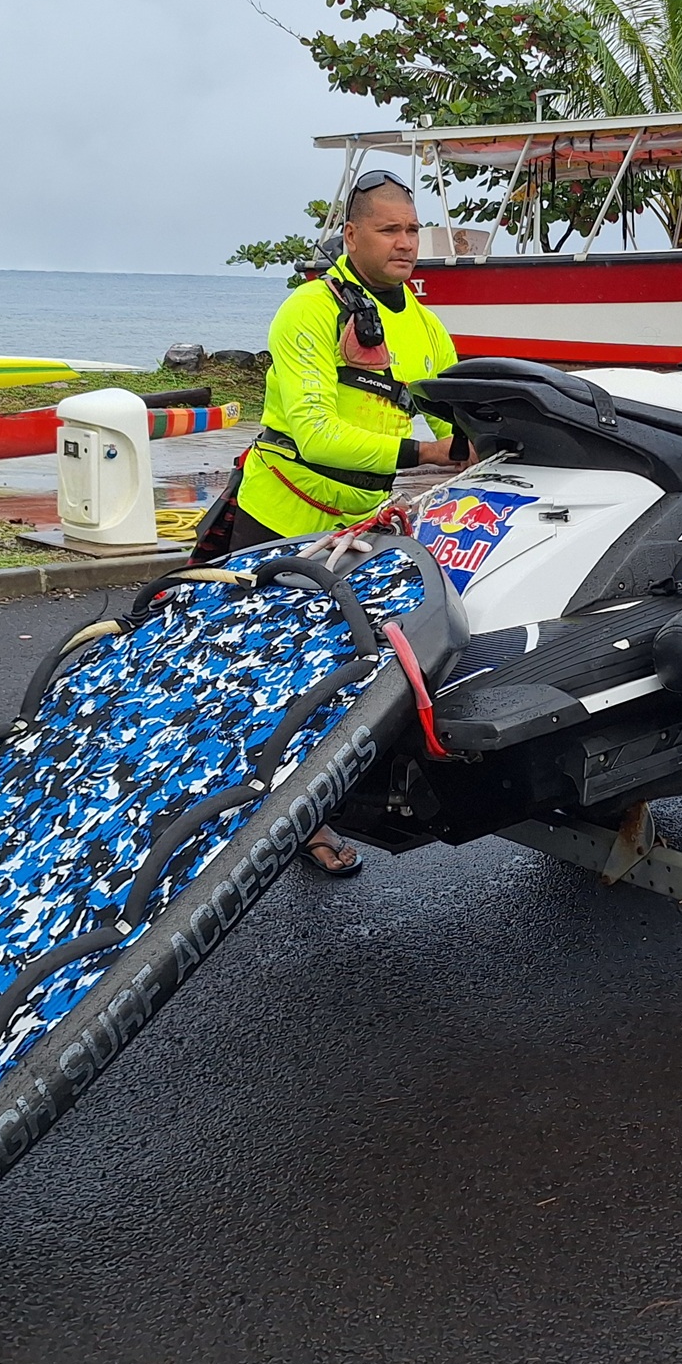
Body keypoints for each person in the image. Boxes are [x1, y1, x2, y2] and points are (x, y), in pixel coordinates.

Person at [212, 167, 464, 874]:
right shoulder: (306, 311)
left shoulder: (422, 324)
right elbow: (317, 432)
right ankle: (233, 812)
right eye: (389, 230)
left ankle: (307, 812)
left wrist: (491, 437)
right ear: (350, 235)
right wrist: (425, 449)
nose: (406, 243)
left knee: (338, 677)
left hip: (362, 529)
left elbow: (458, 413)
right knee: (257, 674)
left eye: (413, 230)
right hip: (277, 517)